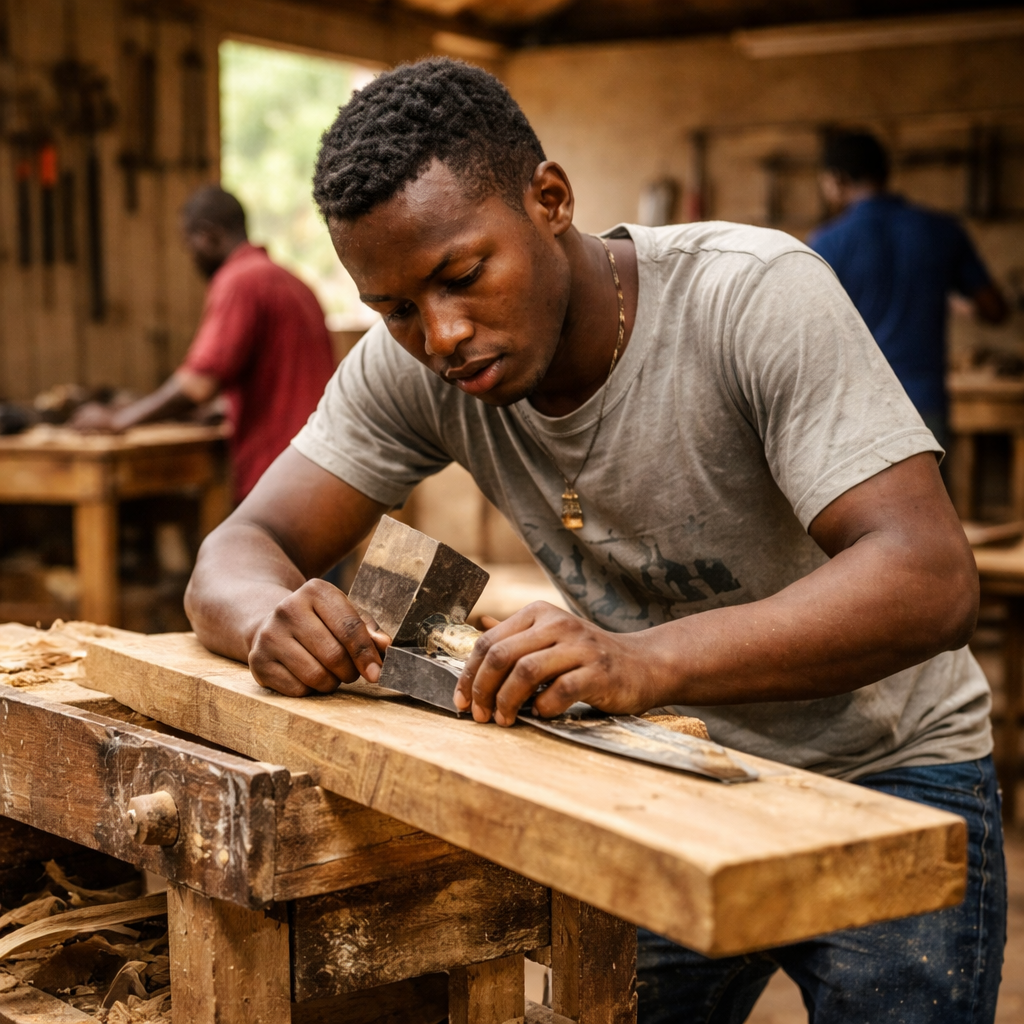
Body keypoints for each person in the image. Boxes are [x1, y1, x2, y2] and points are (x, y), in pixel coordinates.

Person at [184, 60, 1006, 1023]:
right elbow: (238, 549)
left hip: (892, 772)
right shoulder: (415, 369)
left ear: (551, 200)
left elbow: (931, 580)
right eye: (396, 309)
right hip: (659, 769)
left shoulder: (750, 296)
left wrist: (644, 661)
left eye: (462, 276)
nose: (440, 335)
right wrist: (269, 619)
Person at [72, 186, 336, 503]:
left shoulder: (239, 281)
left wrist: (117, 420)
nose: (191, 256)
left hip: (280, 476)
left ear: (209, 235)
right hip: (324, 469)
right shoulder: (292, 282)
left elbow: (196, 385)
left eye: (190, 244)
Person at [809, 130, 1008, 448]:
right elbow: (995, 310)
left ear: (837, 180)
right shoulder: (942, 230)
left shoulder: (827, 243)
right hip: (924, 404)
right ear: (884, 173)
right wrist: (957, 302)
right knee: (931, 497)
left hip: (859, 409)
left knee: (864, 499)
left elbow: (813, 334)